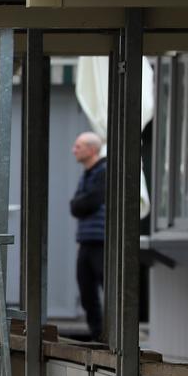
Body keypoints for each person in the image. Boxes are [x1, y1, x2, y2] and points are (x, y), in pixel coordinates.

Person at [70, 131, 107, 339]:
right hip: (85, 240)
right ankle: (97, 334)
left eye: (78, 146)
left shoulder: (103, 171)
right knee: (86, 290)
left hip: (101, 240)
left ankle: (109, 334)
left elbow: (90, 202)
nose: (74, 150)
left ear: (92, 149)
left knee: (105, 287)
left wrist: (80, 204)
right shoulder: (87, 174)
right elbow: (75, 206)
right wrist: (80, 204)